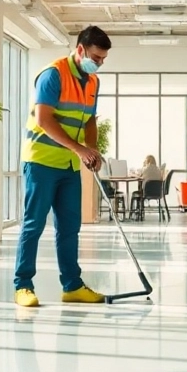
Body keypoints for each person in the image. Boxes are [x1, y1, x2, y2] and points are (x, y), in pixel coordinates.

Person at [13, 26, 113, 308]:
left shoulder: (93, 82)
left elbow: (90, 119)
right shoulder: (53, 75)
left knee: (70, 227)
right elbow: (44, 120)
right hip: (41, 160)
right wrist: (80, 148)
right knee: (33, 225)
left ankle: (72, 285)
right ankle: (23, 286)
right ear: (80, 50)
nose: (99, 63)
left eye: (103, 59)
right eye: (96, 57)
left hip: (69, 164)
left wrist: (91, 149)